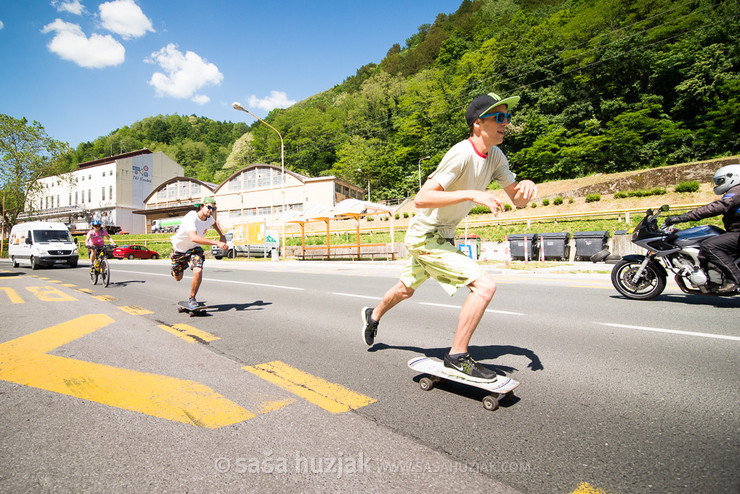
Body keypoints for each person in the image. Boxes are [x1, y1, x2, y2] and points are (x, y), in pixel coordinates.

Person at [361, 92, 538, 382]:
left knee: (406, 290)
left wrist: (527, 186)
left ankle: (373, 315)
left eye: (507, 117)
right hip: (425, 235)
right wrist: (472, 193)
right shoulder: (461, 153)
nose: (506, 123)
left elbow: (517, 200)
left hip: (443, 235)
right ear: (478, 123)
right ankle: (457, 355)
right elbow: (422, 198)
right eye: (500, 117)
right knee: (484, 286)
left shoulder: (496, 156)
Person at [665, 164, 740, 291]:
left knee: (709, 245)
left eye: (720, 181)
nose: (717, 184)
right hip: (735, 232)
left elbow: (716, 207)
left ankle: (735, 279)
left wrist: (682, 217)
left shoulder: (736, 192)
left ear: (733, 177)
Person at [170, 196, 229, 309]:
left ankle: (192, 298)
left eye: (214, 209)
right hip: (179, 250)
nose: (211, 211)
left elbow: (215, 223)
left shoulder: (209, 218)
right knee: (178, 278)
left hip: (194, 249)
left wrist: (222, 236)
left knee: (198, 269)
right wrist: (216, 243)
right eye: (209, 208)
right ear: (201, 206)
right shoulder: (191, 217)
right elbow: (194, 237)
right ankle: (175, 270)